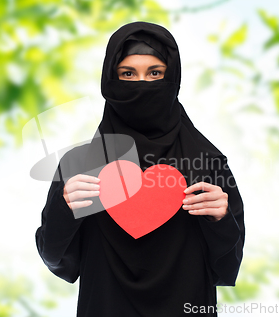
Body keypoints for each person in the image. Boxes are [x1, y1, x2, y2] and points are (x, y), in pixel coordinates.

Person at [35, 21, 245, 317]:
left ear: (173, 78)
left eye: (155, 73)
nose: (143, 85)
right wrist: (63, 210)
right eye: (128, 74)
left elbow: (226, 269)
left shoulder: (208, 163)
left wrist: (222, 219)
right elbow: (60, 263)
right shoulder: (81, 165)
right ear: (110, 80)